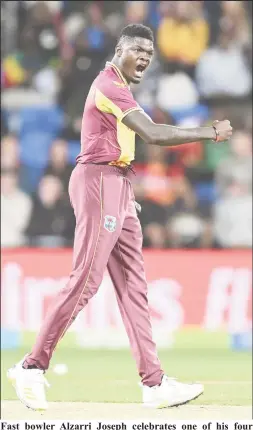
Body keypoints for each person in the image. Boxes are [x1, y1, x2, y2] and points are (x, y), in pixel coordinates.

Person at [8, 24, 233, 412]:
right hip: (99, 182)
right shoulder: (109, 85)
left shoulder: (122, 87)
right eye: (138, 50)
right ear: (119, 49)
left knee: (134, 289)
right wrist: (209, 131)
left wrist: (125, 194)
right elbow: (153, 135)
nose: (145, 57)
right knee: (87, 279)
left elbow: (124, 145)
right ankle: (31, 367)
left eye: (150, 53)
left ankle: (154, 383)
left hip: (118, 185)